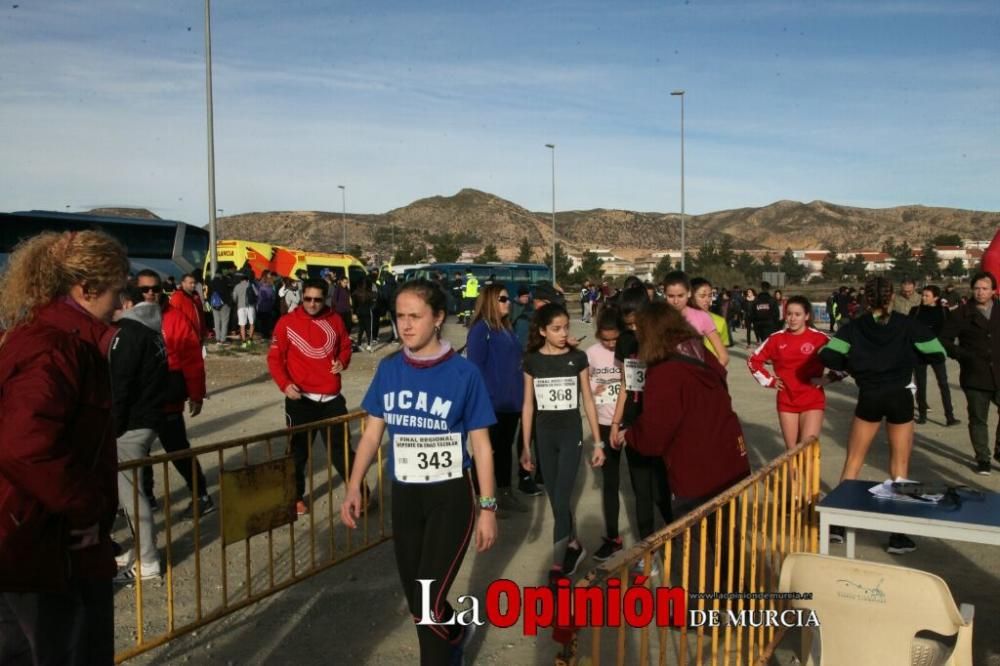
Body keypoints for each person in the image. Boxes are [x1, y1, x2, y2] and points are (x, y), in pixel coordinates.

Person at [340, 279, 497, 665]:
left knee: (427, 601)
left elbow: (481, 446)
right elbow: (373, 431)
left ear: (439, 318)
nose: (405, 325)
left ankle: (444, 651)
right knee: (418, 599)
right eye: (399, 316)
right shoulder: (390, 368)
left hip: (450, 498)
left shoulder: (464, 375)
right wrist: (354, 484)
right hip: (407, 497)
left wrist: (488, 507)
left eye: (415, 316)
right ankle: (457, 631)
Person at [0, 230, 128, 664]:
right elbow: (23, 445)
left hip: (39, 543)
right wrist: (85, 506)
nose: (123, 303)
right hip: (45, 548)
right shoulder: (55, 348)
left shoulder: (48, 336)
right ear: (86, 288)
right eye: (118, 290)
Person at [621, 302, 751, 580]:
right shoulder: (701, 351)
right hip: (730, 457)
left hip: (696, 469)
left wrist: (630, 434)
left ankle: (696, 608)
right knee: (728, 537)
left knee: (692, 542)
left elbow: (653, 436)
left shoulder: (665, 372)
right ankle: (738, 595)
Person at [819, 277, 947, 553]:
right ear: (892, 298)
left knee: (854, 461)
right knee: (899, 468)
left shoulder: (854, 327)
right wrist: (911, 359)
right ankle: (898, 536)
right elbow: (938, 353)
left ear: (865, 299)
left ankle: (839, 527)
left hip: (870, 395)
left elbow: (828, 355)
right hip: (900, 395)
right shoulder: (907, 324)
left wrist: (853, 366)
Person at [521, 303, 605, 585]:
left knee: (559, 498)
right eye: (556, 329)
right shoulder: (532, 361)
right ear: (543, 331)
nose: (563, 333)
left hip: (571, 434)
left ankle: (558, 565)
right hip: (545, 437)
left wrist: (599, 443)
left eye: (566, 327)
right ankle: (574, 545)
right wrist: (525, 446)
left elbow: (588, 400)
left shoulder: (578, 358)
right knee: (555, 493)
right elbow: (528, 405)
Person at [268, 278, 355, 515]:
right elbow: (275, 359)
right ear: (301, 297)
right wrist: (284, 385)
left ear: (324, 298)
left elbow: (346, 346)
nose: (313, 304)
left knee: (342, 450)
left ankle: (358, 493)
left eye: (317, 299)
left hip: (331, 399)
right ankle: (295, 496)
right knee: (298, 452)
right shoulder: (286, 323)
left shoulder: (334, 319)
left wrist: (342, 361)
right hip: (300, 400)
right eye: (308, 299)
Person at [137, 270, 215, 520]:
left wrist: (196, 394)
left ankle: (202, 495)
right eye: (144, 289)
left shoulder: (174, 318)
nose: (150, 293)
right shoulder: (128, 318)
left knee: (178, 449)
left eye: (155, 288)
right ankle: (146, 497)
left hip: (168, 395)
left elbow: (192, 358)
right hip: (139, 399)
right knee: (140, 451)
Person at [608, 287, 674, 572]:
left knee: (664, 491)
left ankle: (676, 542)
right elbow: (625, 384)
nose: (633, 329)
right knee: (641, 492)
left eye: (637, 323)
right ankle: (648, 552)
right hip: (633, 425)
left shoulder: (665, 340)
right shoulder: (624, 343)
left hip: (661, 423)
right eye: (628, 324)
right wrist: (616, 422)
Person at [109, 284, 167, 583]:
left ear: (127, 302)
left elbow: (120, 385)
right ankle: (140, 552)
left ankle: (147, 559)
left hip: (131, 424)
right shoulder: (150, 331)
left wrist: (112, 426)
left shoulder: (129, 334)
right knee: (130, 491)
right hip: (146, 418)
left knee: (131, 494)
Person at [466, 284, 530, 513]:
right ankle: (482, 500)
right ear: (490, 301)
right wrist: (483, 402)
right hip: (491, 404)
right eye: (503, 299)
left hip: (511, 403)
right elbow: (475, 369)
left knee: (504, 450)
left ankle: (504, 492)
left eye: (508, 298)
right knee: (486, 451)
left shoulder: (506, 329)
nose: (508, 302)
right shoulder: (480, 329)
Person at [748, 295, 841, 450]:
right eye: (789, 314)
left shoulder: (820, 338)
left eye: (797, 314)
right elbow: (753, 361)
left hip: (812, 400)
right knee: (792, 453)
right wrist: (769, 380)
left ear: (807, 316)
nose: (792, 318)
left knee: (806, 450)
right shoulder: (775, 339)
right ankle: (794, 475)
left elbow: (848, 357)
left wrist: (831, 377)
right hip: (786, 400)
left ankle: (809, 475)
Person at [940, 271, 1000, 475]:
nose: (981, 292)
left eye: (985, 288)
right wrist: (963, 355)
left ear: (993, 290)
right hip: (975, 375)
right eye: (977, 288)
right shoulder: (961, 314)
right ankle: (983, 458)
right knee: (978, 418)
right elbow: (944, 340)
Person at [586, 308, 627, 561]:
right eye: (606, 339)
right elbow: (584, 384)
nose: (611, 344)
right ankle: (613, 537)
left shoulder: (630, 350)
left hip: (629, 424)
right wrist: (593, 385)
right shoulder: (590, 354)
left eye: (615, 339)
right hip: (603, 423)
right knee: (610, 484)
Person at [909, 285, 959, 426]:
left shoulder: (943, 311)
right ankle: (923, 414)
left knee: (943, 383)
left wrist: (944, 344)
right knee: (921, 383)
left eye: (927, 295)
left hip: (936, 351)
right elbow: (908, 328)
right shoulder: (915, 311)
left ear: (935, 298)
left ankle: (950, 416)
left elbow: (951, 330)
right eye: (923, 295)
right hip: (918, 351)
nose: (923, 298)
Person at [662, 271, 729, 366]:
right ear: (664, 294)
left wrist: (707, 376)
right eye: (671, 296)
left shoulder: (702, 317)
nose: (676, 301)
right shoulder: (656, 317)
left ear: (689, 293)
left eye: (680, 296)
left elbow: (723, 357)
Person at [690, 277, 732, 355]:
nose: (707, 300)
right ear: (690, 296)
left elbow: (724, 353)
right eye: (702, 296)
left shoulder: (720, 321)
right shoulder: (680, 320)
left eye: (709, 296)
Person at [232, 272, 258, 348]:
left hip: (241, 307)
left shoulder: (237, 286)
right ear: (247, 280)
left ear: (241, 280)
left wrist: (237, 302)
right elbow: (257, 294)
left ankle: (244, 342)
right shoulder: (251, 285)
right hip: (251, 306)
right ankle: (250, 339)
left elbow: (234, 297)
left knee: (242, 325)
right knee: (252, 323)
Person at [208, 270, 233, 345]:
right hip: (224, 304)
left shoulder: (211, 282)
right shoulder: (224, 281)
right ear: (221, 275)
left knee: (216, 321)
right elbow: (228, 292)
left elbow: (209, 294)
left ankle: (218, 339)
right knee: (224, 321)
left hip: (215, 304)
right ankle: (223, 339)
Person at [353, 277, 377, 352]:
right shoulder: (369, 293)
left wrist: (355, 312)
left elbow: (354, 305)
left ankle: (359, 343)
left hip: (360, 312)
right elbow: (374, 301)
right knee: (368, 329)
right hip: (367, 312)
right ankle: (369, 345)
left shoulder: (356, 293)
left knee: (361, 329)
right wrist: (371, 308)